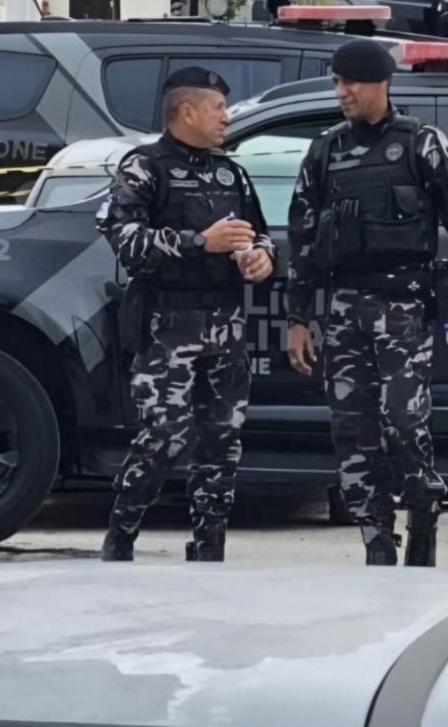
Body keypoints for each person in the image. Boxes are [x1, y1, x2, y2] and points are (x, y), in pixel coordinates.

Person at [283, 38, 448, 567]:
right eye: (336, 82)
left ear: (380, 83)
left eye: (350, 82)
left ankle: (423, 509)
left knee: (403, 422)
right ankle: (376, 540)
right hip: (344, 307)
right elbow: (302, 238)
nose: (342, 92)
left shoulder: (421, 143)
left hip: (403, 306)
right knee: (352, 429)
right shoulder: (325, 150)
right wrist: (298, 316)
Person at [96, 67, 277, 563]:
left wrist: (261, 257)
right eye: (218, 107)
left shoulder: (230, 171)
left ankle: (209, 546)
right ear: (187, 111)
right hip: (167, 328)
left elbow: (259, 232)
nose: (225, 116)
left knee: (222, 445)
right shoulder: (144, 167)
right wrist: (200, 242)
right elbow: (126, 242)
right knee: (164, 437)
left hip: (225, 328)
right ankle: (121, 536)